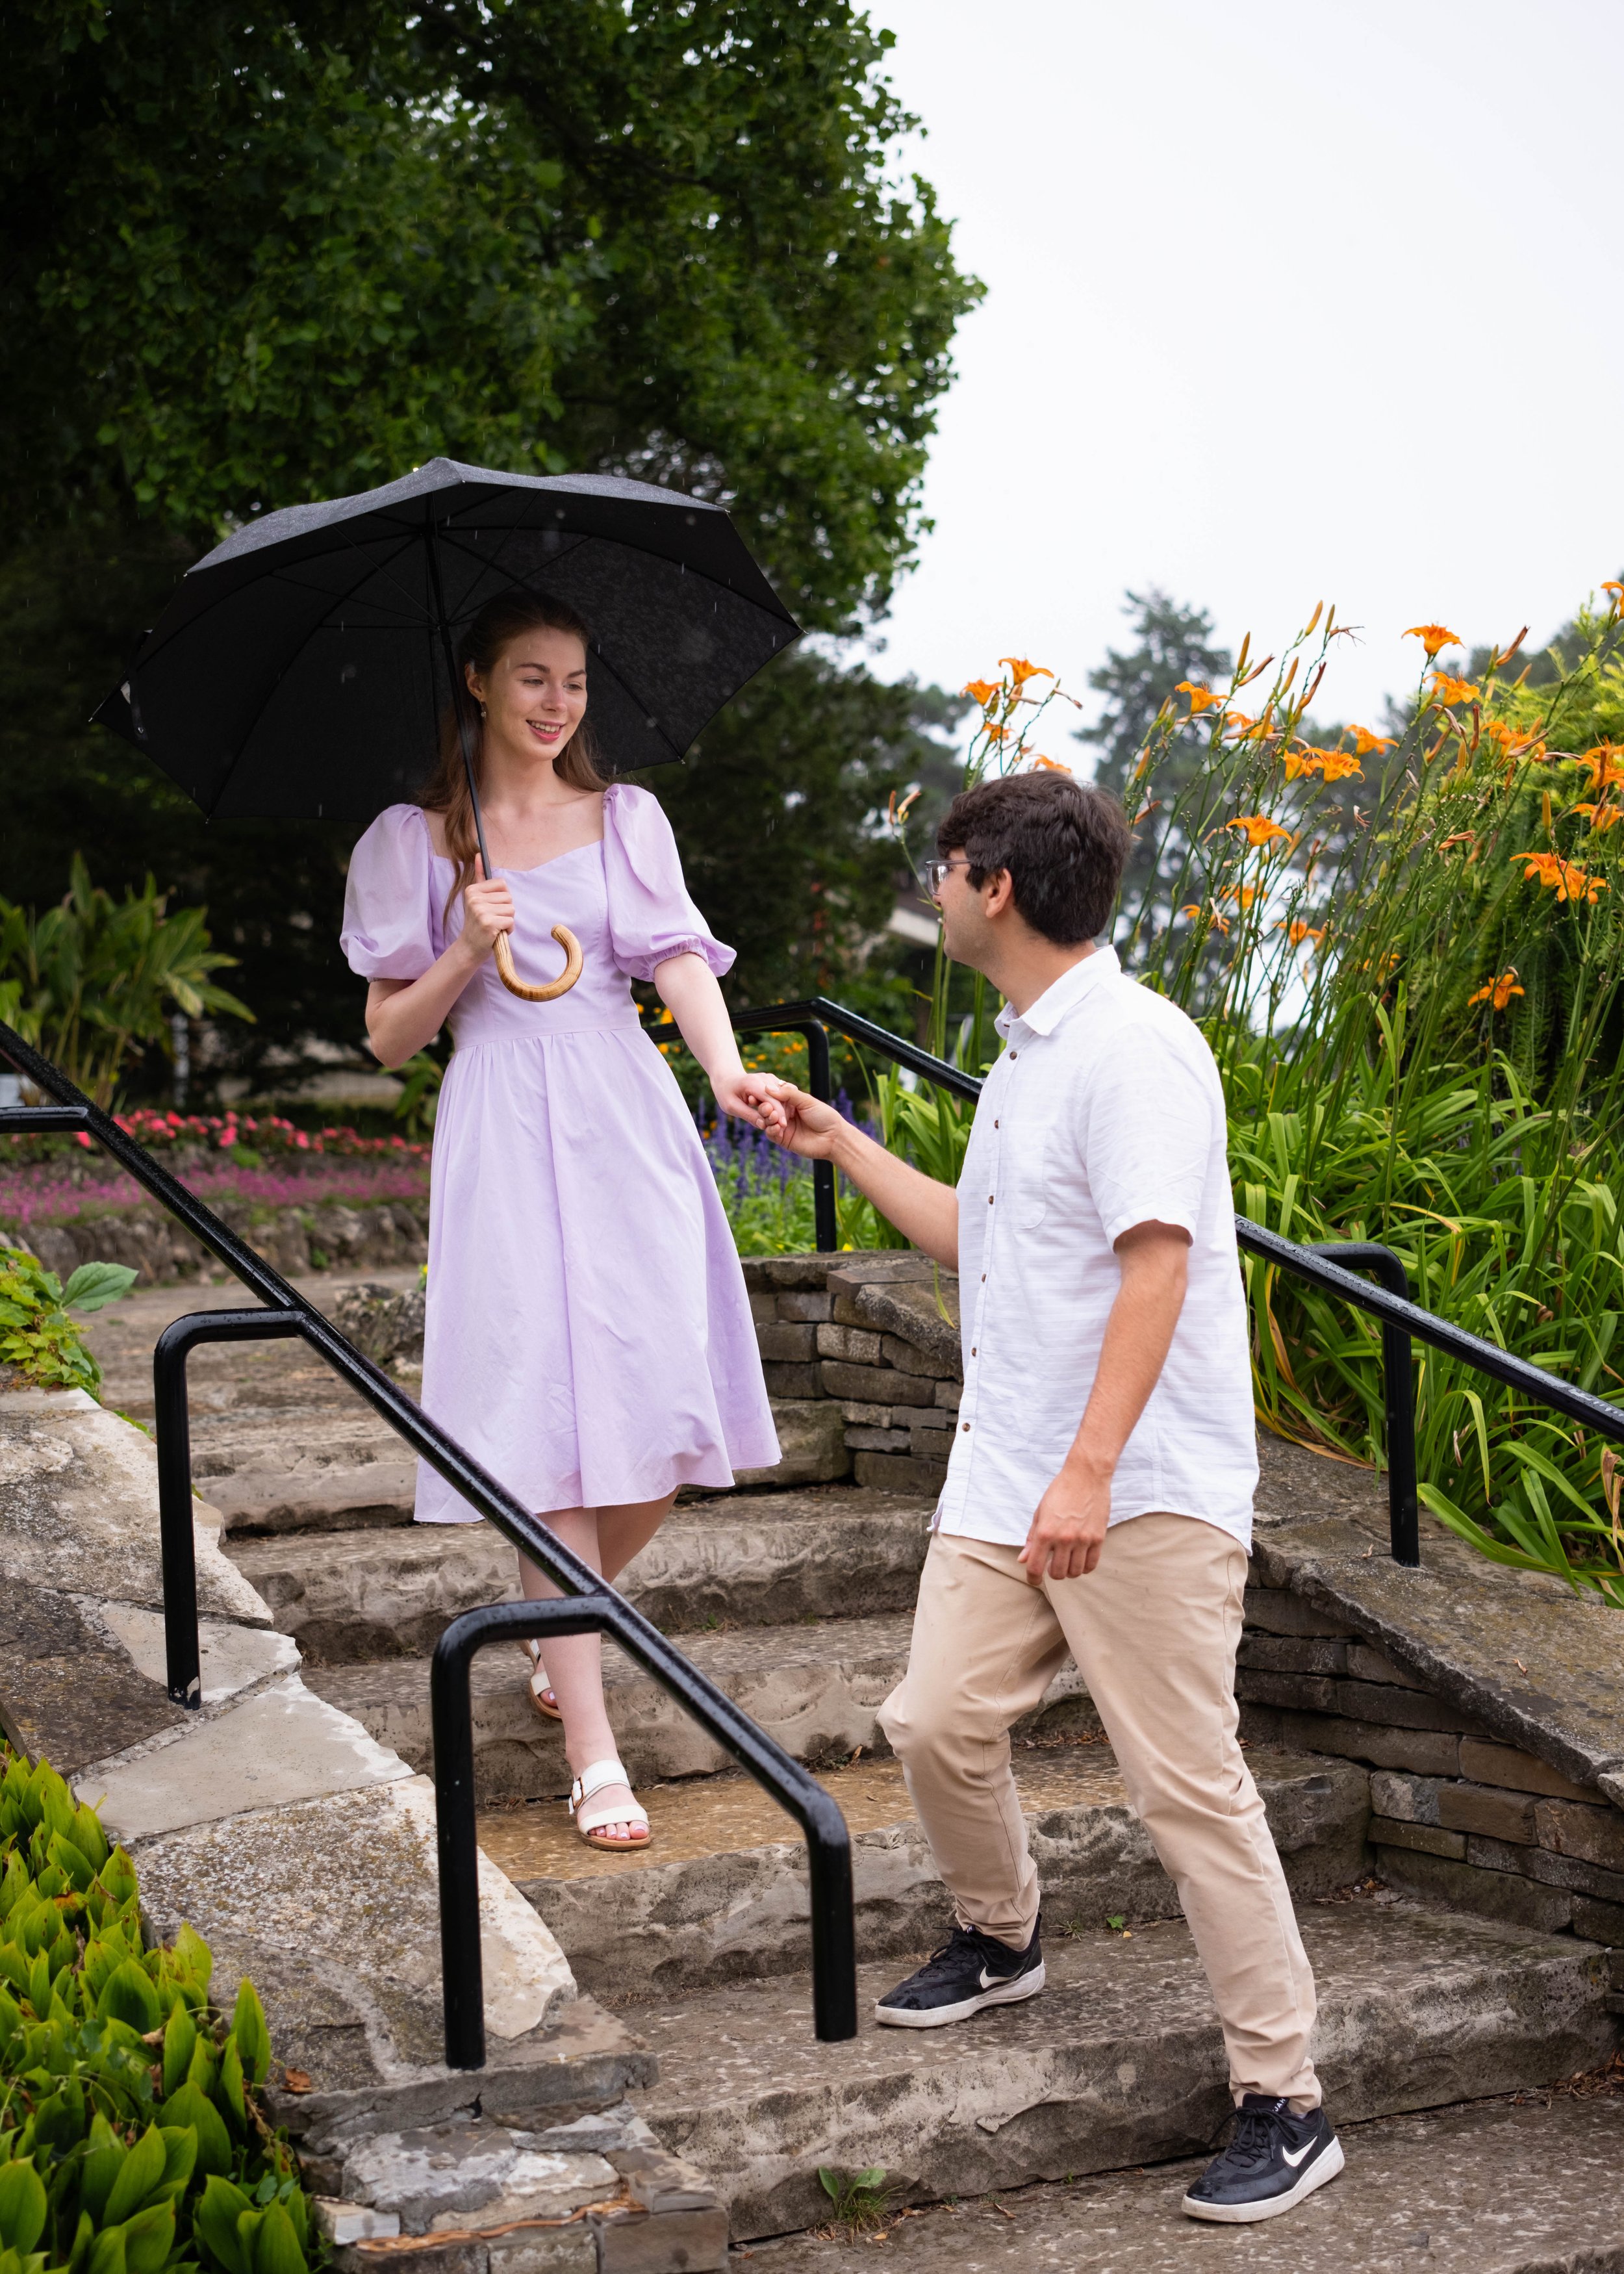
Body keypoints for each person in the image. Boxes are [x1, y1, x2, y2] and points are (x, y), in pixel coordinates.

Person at [757, 771, 1343, 2226]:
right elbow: (984, 1238)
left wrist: (1087, 1471)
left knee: (1182, 1786)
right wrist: (839, 1146)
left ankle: (1286, 2097)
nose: (935, 890)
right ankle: (1000, 1932)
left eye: (943, 870)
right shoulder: (1025, 1055)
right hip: (1007, 1470)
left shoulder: (1132, 1048)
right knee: (932, 1719)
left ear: (993, 885)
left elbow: (1158, 1267)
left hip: (1134, 1485)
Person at [340, 589, 778, 1852]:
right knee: (547, 1435)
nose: (556, 704)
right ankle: (594, 1749)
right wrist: (461, 953)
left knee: (663, 1413)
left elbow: (678, 959)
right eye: (531, 678)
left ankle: (557, 1623)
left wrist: (720, 1069)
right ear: (476, 681)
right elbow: (384, 1039)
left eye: (574, 682)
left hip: (621, 1115)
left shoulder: (624, 818)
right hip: (497, 1126)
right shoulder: (414, 841)